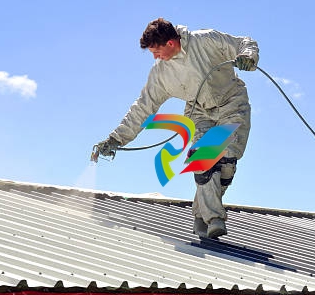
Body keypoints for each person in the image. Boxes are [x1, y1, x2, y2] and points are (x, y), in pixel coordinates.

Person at [95, 18, 258, 239]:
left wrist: (248, 56)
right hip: (199, 111)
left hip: (231, 103)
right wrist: (116, 139)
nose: (155, 57)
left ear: (170, 43)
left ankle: (200, 215)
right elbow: (143, 107)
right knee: (202, 159)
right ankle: (214, 219)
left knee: (226, 160)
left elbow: (243, 42)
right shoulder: (160, 74)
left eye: (156, 51)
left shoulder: (205, 40)